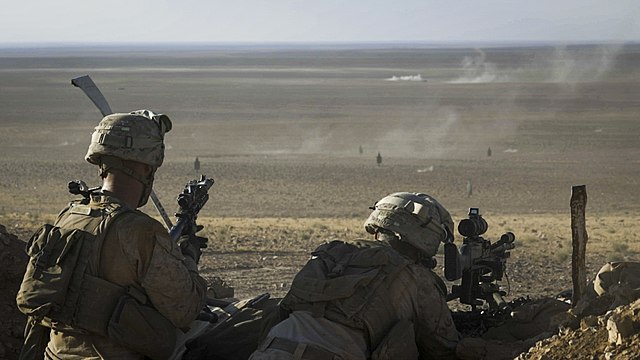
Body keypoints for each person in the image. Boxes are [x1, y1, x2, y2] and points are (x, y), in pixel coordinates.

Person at [16, 110, 208, 360]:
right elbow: (186, 309)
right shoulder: (141, 231)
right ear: (147, 168)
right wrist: (189, 258)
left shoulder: (69, 215)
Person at [249, 191, 485, 360]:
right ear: (428, 237)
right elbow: (442, 348)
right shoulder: (416, 277)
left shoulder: (332, 252)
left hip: (267, 350)